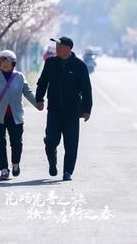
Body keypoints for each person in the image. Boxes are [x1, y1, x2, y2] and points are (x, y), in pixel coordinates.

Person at [36, 36, 93, 181]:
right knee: (50, 140)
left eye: (59, 45)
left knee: (71, 143)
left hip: (72, 111)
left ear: (68, 48)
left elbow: (87, 89)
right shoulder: (50, 63)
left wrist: (87, 109)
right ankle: (52, 163)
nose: (56, 48)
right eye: (56, 45)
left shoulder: (79, 65)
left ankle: (68, 171)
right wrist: (39, 99)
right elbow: (42, 82)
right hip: (54, 110)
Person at [0, 50, 44, 180]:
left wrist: (37, 104)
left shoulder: (19, 77)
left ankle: (16, 163)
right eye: (2, 61)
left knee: (16, 143)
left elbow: (27, 92)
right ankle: (4, 169)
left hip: (16, 116)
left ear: (13, 63)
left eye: (7, 61)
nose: (4, 64)